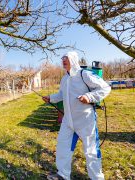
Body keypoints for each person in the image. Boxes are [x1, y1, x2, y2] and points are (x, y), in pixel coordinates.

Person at [43, 51, 111, 180]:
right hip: (68, 120)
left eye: (66, 58)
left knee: (91, 150)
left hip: (85, 119)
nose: (63, 60)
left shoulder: (84, 74)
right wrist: (50, 98)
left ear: (73, 59)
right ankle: (63, 174)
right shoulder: (64, 79)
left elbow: (105, 88)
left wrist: (89, 96)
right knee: (63, 146)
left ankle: (96, 177)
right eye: (62, 58)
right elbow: (61, 95)